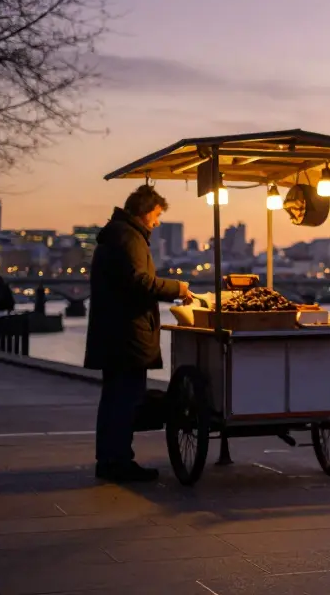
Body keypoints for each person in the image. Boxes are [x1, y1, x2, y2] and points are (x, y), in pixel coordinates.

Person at [84, 185, 192, 482]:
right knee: (125, 399)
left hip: (114, 333)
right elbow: (140, 281)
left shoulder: (117, 234)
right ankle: (118, 462)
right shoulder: (128, 237)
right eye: (156, 215)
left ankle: (110, 459)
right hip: (126, 334)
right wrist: (177, 288)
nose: (158, 222)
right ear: (144, 212)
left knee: (115, 399)